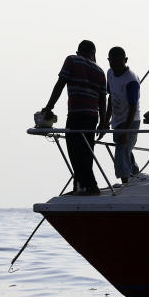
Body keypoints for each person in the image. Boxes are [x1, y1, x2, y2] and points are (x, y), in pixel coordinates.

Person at [39, 40, 107, 195]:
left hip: (77, 113)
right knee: (87, 151)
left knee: (75, 151)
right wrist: (103, 122)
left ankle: (91, 186)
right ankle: (79, 186)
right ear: (93, 54)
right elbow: (103, 99)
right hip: (92, 116)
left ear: (79, 52)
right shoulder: (100, 71)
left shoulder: (72, 60)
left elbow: (60, 84)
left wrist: (49, 107)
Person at [99, 46, 142, 184]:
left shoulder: (131, 80)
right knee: (125, 149)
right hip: (117, 120)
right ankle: (135, 175)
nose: (115, 66)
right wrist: (106, 121)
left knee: (121, 151)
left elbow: (133, 106)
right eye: (112, 62)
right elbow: (111, 98)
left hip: (131, 120)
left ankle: (126, 183)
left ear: (125, 60)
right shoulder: (110, 73)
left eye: (118, 62)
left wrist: (126, 131)